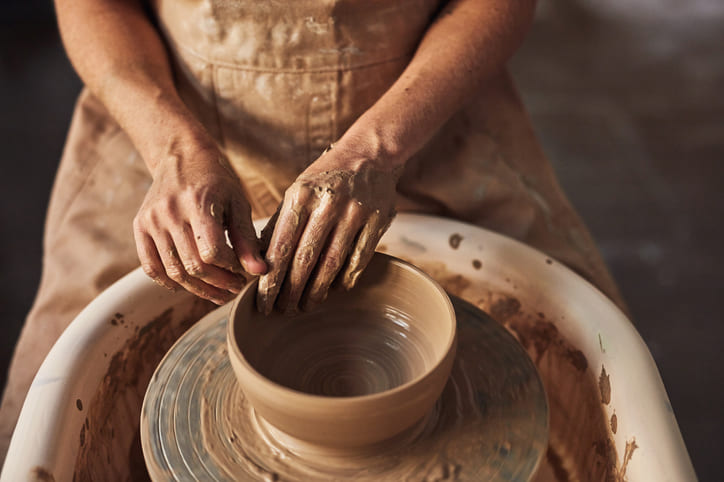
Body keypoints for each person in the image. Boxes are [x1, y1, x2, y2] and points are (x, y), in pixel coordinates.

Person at [0, 0, 626, 462]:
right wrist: (170, 149)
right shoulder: (168, 142)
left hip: (423, 118)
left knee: (588, 358)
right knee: (51, 394)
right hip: (169, 123)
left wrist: (378, 150)